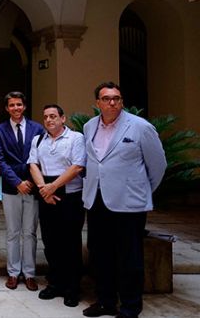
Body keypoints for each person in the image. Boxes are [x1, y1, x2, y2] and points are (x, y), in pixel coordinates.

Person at [82, 82, 166, 318]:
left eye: (116, 98)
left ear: (122, 101)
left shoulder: (140, 127)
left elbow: (158, 165)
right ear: (97, 103)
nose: (112, 103)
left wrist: (140, 190)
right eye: (106, 98)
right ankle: (105, 301)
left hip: (129, 204)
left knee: (129, 258)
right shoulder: (89, 127)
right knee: (100, 255)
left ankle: (130, 307)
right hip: (97, 201)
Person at [28, 104, 86, 307]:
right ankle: (56, 284)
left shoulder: (75, 138)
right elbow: (33, 164)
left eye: (53, 116)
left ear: (63, 118)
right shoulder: (39, 139)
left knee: (70, 243)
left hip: (69, 196)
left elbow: (78, 165)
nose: (49, 120)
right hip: (46, 193)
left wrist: (53, 186)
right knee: (51, 242)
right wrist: (44, 188)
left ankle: (72, 288)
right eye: (46, 117)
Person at [0, 91, 43, 291]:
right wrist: (17, 182)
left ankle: (29, 274)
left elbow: (40, 157)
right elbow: (0, 161)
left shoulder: (37, 128)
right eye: (12, 105)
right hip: (11, 187)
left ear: (24, 106)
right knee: (13, 232)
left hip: (32, 186)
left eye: (19, 104)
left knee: (29, 232)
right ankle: (13, 273)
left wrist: (30, 181)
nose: (16, 108)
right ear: (7, 108)